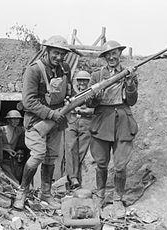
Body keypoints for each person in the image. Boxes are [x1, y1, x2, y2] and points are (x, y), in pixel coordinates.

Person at [13, 35, 73, 210]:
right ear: (47, 51)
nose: (59, 57)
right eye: (56, 53)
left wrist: (70, 99)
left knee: (51, 157)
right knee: (38, 154)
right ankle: (22, 191)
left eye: (62, 54)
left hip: (57, 120)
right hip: (37, 121)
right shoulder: (34, 70)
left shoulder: (65, 68)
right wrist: (50, 114)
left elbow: (67, 91)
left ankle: (46, 193)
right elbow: (28, 101)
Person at [87, 40, 138, 217]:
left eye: (114, 53)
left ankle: (117, 198)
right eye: (107, 55)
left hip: (123, 120)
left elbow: (131, 101)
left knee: (120, 165)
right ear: (104, 57)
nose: (111, 57)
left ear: (119, 54)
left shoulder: (128, 73)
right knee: (101, 162)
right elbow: (89, 102)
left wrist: (130, 83)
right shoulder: (96, 76)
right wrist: (95, 96)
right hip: (102, 121)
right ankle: (100, 193)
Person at [65, 70, 94, 189]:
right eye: (80, 80)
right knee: (70, 148)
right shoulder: (71, 92)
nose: (82, 83)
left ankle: (75, 177)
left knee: (81, 150)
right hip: (72, 122)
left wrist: (81, 110)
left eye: (85, 81)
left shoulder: (92, 92)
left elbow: (94, 110)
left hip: (86, 123)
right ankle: (73, 178)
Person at [0, 110, 30, 183]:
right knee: (11, 180)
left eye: (18, 119)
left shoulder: (19, 131)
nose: (16, 121)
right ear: (8, 120)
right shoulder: (0, 130)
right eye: (14, 119)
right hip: (1, 158)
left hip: (12, 160)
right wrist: (5, 149)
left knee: (17, 178)